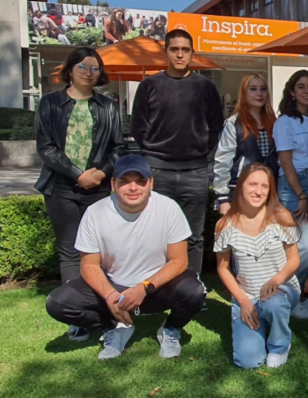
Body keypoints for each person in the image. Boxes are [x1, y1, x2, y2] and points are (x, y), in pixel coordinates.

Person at [45, 154, 206, 360]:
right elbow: (89, 266)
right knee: (58, 303)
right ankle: (113, 327)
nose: (133, 188)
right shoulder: (96, 212)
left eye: (141, 181)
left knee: (195, 292)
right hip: (114, 285)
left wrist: (143, 288)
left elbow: (179, 261)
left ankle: (170, 329)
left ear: (151, 183)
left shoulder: (169, 208)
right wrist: (110, 296)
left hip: (154, 287)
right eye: (124, 182)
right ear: (113, 184)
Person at [35, 47, 123, 341]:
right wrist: (76, 174)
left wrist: (100, 173)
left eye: (95, 68)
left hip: (98, 188)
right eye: (83, 67)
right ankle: (77, 315)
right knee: (71, 251)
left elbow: (118, 147)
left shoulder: (108, 106)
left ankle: (106, 306)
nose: (89, 72)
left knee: (100, 251)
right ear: (70, 70)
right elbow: (46, 147)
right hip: (60, 186)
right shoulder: (49, 104)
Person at [130, 28, 224, 278]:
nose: (180, 55)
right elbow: (138, 126)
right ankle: (157, 288)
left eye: (185, 50)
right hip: (157, 171)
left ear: (192, 53)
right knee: (156, 234)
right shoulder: (149, 85)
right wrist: (153, 153)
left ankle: (191, 288)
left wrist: (203, 150)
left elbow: (217, 126)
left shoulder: (205, 87)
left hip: (195, 171)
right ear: (166, 53)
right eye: (174, 49)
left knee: (193, 236)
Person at [214, 163, 300, 369]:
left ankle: (280, 345)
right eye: (253, 184)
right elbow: (222, 268)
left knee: (273, 303)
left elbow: (294, 259)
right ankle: (256, 323)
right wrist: (243, 301)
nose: (258, 191)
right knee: (248, 361)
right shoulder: (224, 225)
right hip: (247, 293)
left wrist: (276, 280)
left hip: (281, 289)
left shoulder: (281, 216)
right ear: (241, 185)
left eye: (264, 186)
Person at [274, 69, 308, 319]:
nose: (307, 91)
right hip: (296, 188)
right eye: (301, 86)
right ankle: (288, 296)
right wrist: (301, 195)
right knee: (302, 246)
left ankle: (299, 296)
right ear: (292, 91)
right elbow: (286, 163)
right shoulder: (284, 122)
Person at [214, 74, 279, 215]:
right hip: (239, 189)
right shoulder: (234, 122)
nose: (259, 94)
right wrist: (223, 198)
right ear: (244, 93)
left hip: (269, 190)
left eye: (263, 89)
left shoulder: (274, 122)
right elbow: (222, 161)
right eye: (253, 89)